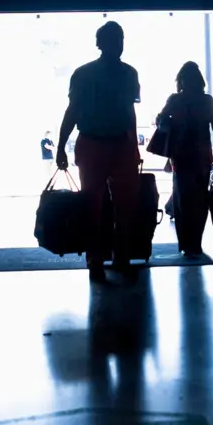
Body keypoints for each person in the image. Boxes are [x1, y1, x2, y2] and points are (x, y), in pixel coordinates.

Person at [56, 21, 141, 279]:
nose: (119, 44)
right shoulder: (129, 74)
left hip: (92, 144)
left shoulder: (83, 74)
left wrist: (61, 146)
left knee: (92, 205)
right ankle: (121, 257)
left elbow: (73, 112)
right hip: (119, 144)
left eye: (120, 39)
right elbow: (129, 112)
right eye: (117, 39)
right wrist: (133, 146)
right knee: (124, 206)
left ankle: (96, 261)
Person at [157, 61, 213, 257]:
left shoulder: (175, 100)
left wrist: (165, 122)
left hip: (180, 155)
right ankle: (195, 243)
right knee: (200, 200)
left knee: (182, 199)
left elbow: (161, 119)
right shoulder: (206, 101)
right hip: (201, 156)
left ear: (181, 80)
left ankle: (185, 243)